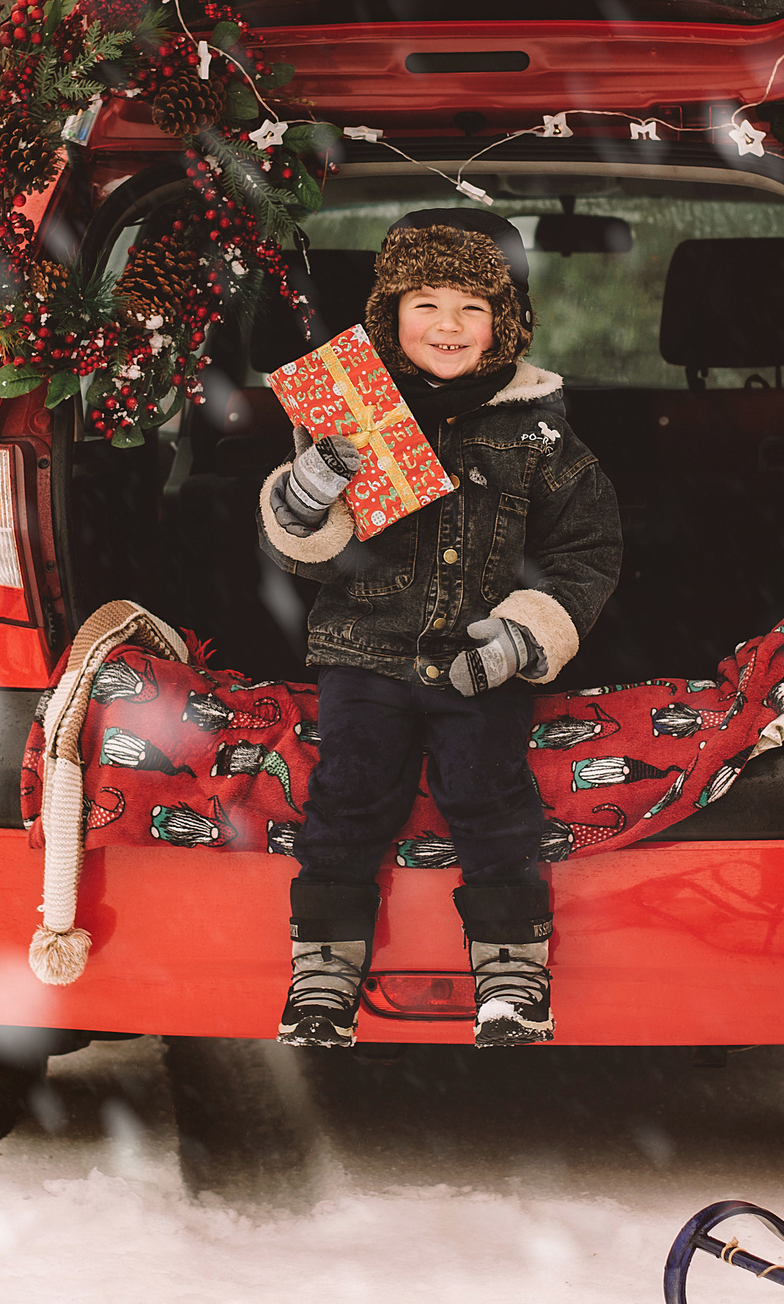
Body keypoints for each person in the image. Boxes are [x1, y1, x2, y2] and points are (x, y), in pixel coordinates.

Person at [257, 208, 621, 1047]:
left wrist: (524, 638)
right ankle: (322, 975)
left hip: (479, 658)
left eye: (472, 306)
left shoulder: (539, 431)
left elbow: (587, 552)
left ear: (507, 324)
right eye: (425, 303)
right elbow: (307, 558)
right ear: (390, 314)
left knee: (492, 795)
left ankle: (511, 976)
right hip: (364, 654)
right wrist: (308, 492)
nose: (448, 326)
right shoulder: (349, 416)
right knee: (347, 794)